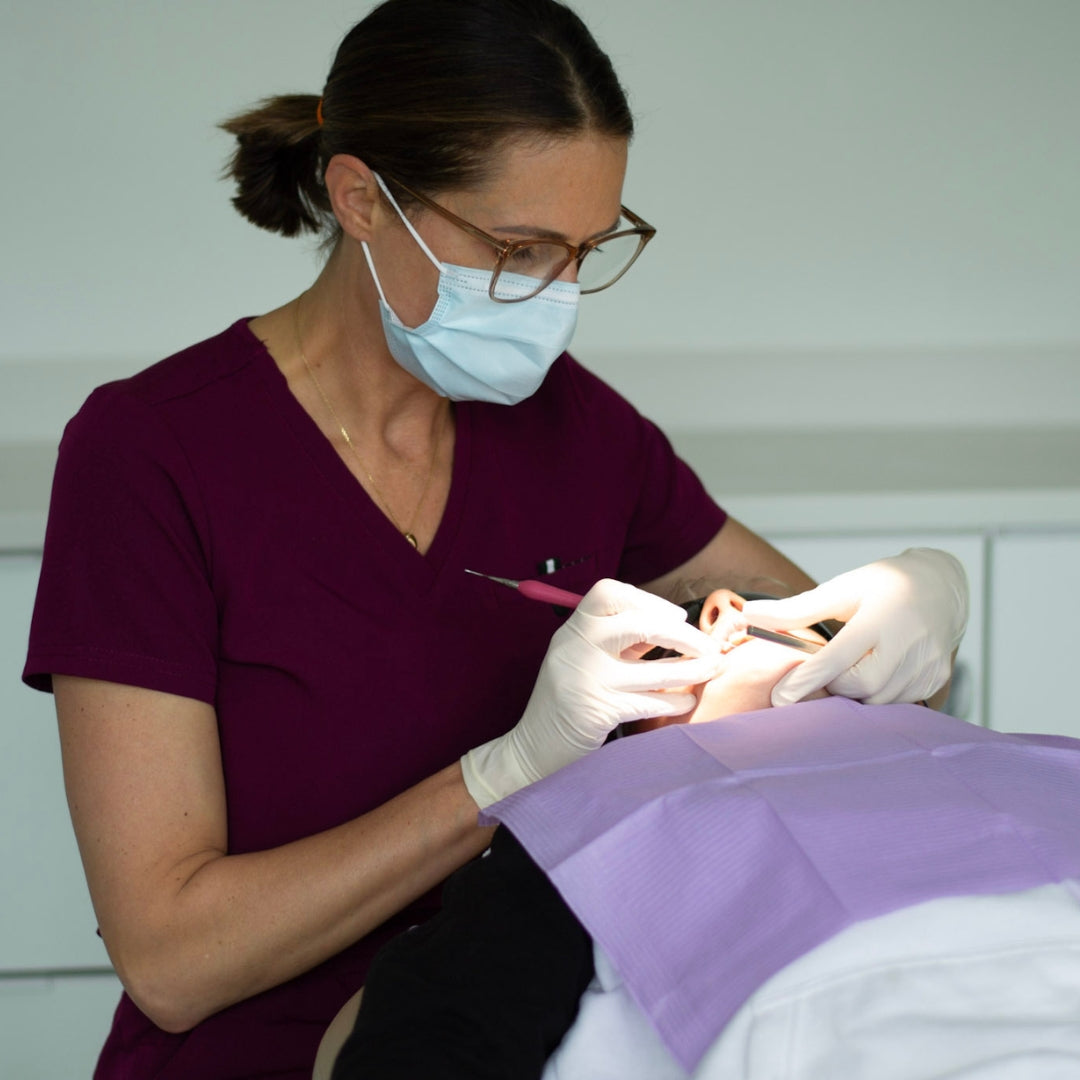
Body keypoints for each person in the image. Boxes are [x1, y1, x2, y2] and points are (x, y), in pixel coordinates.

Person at [22, 2, 966, 1077]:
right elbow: (172, 962)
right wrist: (509, 770)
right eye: (519, 249)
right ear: (362, 197)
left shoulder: (574, 426)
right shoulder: (153, 453)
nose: (558, 294)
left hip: (546, 1034)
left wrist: (910, 602)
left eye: (587, 249)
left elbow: (822, 666)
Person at [330, 589, 1080, 1080]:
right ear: (629, 721)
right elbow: (439, 1030)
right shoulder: (605, 813)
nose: (726, 607)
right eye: (670, 645)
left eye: (823, 627)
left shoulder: (1011, 755)